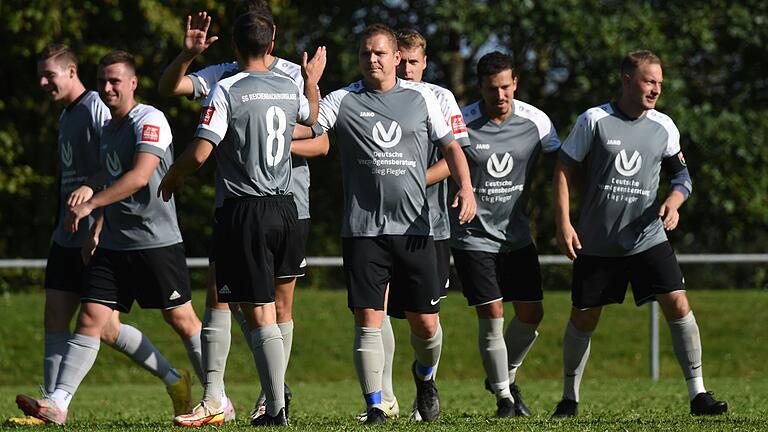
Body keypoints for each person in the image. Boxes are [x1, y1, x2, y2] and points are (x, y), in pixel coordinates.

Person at [8, 44, 195, 427]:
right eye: (40, 76)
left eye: (50, 75)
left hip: (109, 233)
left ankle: (188, 384)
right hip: (69, 231)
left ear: (71, 72)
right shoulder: (69, 115)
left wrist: (97, 222)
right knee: (69, 318)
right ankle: (52, 406)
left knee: (115, 324)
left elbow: (121, 172)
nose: (43, 83)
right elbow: (101, 172)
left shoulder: (100, 109)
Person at [157, 3, 326, 424]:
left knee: (258, 310)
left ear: (234, 45)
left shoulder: (227, 88)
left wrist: (174, 175)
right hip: (286, 206)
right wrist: (312, 83)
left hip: (245, 209)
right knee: (261, 305)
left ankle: (272, 406)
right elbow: (313, 119)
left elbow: (199, 153)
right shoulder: (289, 86)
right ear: (271, 42)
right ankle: (270, 404)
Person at [551, 50, 728, 417]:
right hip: (598, 243)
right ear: (627, 79)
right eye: (649, 81)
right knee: (584, 317)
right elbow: (564, 169)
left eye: (660, 83)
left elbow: (682, 177)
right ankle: (569, 399)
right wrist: (564, 223)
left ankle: (699, 394)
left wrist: (675, 202)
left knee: (678, 303)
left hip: (647, 238)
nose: (656, 89)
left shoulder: (664, 126)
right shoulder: (594, 120)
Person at [314, 23, 476, 424]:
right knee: (368, 317)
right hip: (363, 229)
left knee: (425, 324)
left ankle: (425, 377)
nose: (372, 59)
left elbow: (452, 148)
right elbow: (311, 124)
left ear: (396, 58)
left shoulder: (424, 99)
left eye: (380, 53)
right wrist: (310, 85)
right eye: (366, 53)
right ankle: (375, 405)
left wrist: (467, 188)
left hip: (418, 229)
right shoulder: (342, 99)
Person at [451, 51, 559, 418]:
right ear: (480, 87)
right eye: (492, 89)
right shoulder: (461, 123)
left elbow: (563, 167)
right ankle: (504, 398)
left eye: (506, 87)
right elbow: (442, 160)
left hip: (517, 236)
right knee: (493, 314)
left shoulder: (538, 123)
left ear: (515, 83)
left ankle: (503, 375)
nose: (501, 96)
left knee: (531, 314)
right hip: (473, 236)